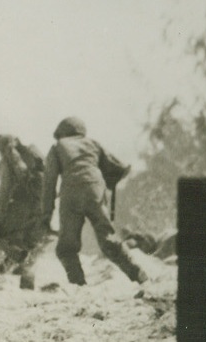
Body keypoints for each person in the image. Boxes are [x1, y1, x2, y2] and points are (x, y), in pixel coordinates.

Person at [41, 117, 146, 286]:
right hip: (95, 190)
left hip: (71, 193)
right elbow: (119, 168)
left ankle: (78, 284)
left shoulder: (57, 147)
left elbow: (49, 182)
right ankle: (138, 274)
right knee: (109, 240)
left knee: (66, 248)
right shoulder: (93, 143)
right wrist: (109, 182)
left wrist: (46, 214)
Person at [0, 135, 49, 289]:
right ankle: (27, 281)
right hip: (42, 208)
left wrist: (0, 216)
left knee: (2, 237)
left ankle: (22, 265)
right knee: (31, 243)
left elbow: (5, 190)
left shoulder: (9, 161)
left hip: (24, 206)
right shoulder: (32, 157)